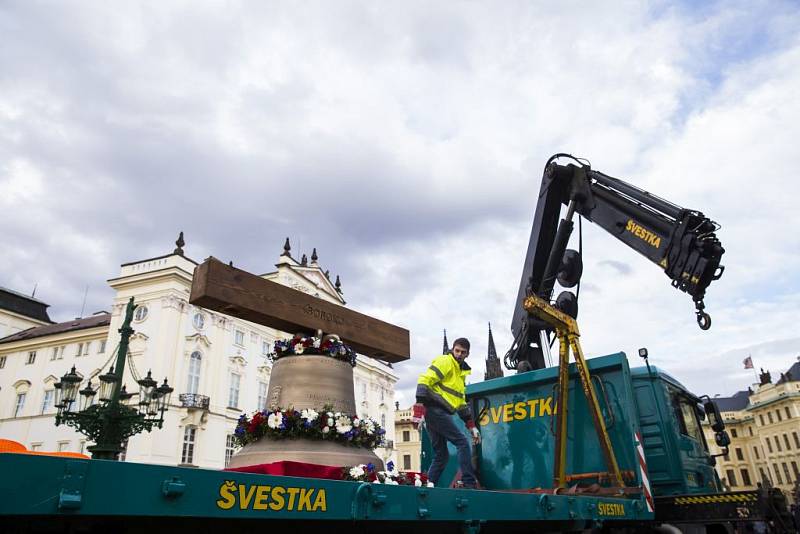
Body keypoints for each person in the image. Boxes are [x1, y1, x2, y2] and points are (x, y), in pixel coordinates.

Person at [414, 337, 480, 488]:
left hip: (435, 414)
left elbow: (461, 403)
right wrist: (418, 406)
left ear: (467, 354)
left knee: (441, 456)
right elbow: (425, 379)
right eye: (457, 350)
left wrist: (471, 426)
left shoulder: (460, 374)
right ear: (452, 349)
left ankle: (427, 486)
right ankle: (469, 483)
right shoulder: (445, 361)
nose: (459, 354)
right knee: (462, 442)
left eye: (463, 352)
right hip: (435, 411)